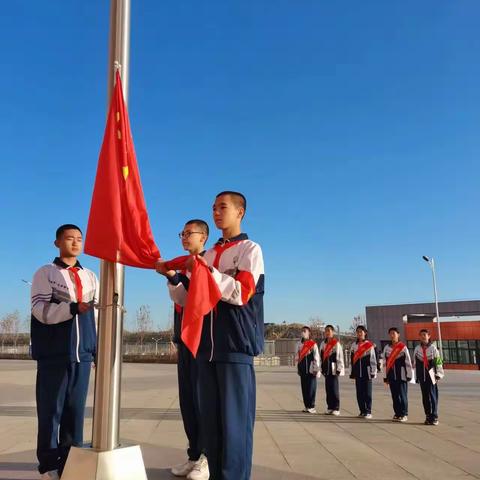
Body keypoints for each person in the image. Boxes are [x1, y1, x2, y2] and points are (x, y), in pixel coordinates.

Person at [193, 191, 264, 480]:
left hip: (235, 347)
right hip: (207, 349)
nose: (216, 212)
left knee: (235, 428)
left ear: (240, 212)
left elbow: (241, 293)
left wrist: (205, 272)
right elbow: (193, 299)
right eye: (213, 208)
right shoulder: (209, 253)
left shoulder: (250, 249)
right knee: (212, 427)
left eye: (222, 207)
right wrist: (174, 277)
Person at [30, 224, 98, 480]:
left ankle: (71, 461)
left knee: (75, 412)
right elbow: (40, 309)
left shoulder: (91, 276)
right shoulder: (46, 273)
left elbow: (96, 315)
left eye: (79, 239)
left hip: (83, 356)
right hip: (55, 355)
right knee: (51, 412)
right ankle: (48, 464)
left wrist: (97, 348)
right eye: (69, 238)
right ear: (57, 243)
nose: (75, 243)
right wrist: (72, 308)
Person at [156, 220, 210, 479]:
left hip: (203, 342)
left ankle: (208, 457)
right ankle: (193, 455)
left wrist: (173, 276)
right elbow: (181, 300)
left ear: (204, 237)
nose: (185, 237)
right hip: (185, 342)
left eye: (190, 233)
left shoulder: (208, 265)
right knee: (188, 402)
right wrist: (173, 275)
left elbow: (194, 299)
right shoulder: (184, 267)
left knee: (203, 401)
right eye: (182, 233)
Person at [413, 329, 444, 426]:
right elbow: (415, 363)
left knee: (433, 396)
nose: (423, 336)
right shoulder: (417, 349)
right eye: (421, 335)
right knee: (425, 397)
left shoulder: (433, 349)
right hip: (422, 377)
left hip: (432, 375)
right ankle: (428, 415)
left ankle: (434, 416)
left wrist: (439, 374)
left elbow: (438, 362)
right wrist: (416, 376)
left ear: (429, 336)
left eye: (425, 335)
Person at [382, 327, 413, 422]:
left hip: (402, 375)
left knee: (402, 395)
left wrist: (409, 375)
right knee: (394, 395)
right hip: (391, 375)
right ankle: (397, 413)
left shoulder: (403, 347)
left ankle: (404, 413)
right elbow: (384, 363)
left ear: (398, 335)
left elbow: (408, 361)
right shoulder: (387, 348)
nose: (392, 335)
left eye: (394, 333)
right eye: (390, 333)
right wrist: (385, 376)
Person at [349, 325, 377, 419]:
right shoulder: (354, 345)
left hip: (367, 372)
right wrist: (352, 372)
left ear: (365, 333)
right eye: (358, 332)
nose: (359, 333)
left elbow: (373, 359)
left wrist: (373, 371)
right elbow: (351, 359)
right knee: (359, 392)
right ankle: (362, 411)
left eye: (361, 332)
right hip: (357, 372)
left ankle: (368, 411)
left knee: (367, 393)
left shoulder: (369, 345)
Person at [319, 325, 344, 415]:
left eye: (329, 330)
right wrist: (321, 368)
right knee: (328, 389)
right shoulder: (323, 344)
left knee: (334, 389)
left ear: (332, 332)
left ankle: (336, 408)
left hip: (334, 370)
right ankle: (330, 407)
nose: (327, 332)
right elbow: (321, 357)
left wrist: (339, 369)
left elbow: (340, 357)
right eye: (326, 331)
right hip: (326, 370)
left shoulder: (336, 343)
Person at [295, 326, 321, 414]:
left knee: (311, 388)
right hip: (302, 369)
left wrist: (316, 369)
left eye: (305, 331)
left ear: (309, 333)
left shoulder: (313, 344)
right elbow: (297, 357)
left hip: (311, 369)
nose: (303, 332)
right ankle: (307, 406)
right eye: (302, 331)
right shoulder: (299, 344)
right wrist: (298, 368)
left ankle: (312, 406)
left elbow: (316, 357)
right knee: (304, 388)